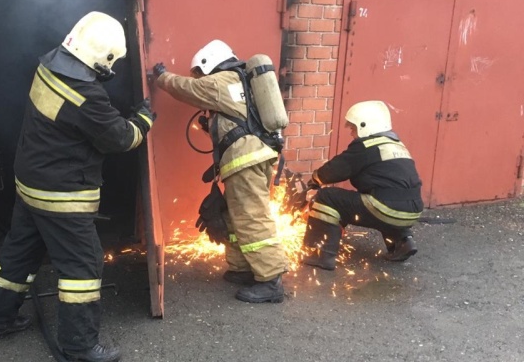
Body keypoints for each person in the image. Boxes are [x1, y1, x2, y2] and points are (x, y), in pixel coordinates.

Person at [0, 11, 156, 362]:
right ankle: (78, 343)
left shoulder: (47, 67)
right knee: (83, 266)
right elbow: (121, 138)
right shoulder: (87, 96)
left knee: (19, 253)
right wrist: (145, 118)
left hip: (30, 184)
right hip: (62, 196)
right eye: (111, 62)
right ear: (100, 57)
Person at [151, 40, 287, 304]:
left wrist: (162, 77)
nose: (200, 79)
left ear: (208, 63)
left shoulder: (221, 80)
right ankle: (244, 267)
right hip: (248, 158)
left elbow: (187, 88)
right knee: (234, 215)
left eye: (201, 73)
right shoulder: (239, 81)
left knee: (251, 217)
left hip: (245, 160)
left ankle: (271, 281)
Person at [302, 100, 424, 270]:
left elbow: (336, 169)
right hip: (413, 211)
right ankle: (403, 242)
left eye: (353, 128)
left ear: (365, 126)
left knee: (326, 197)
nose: (351, 132)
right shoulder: (396, 145)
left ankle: (321, 254)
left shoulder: (366, 146)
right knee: (383, 200)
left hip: (385, 208)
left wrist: (315, 179)